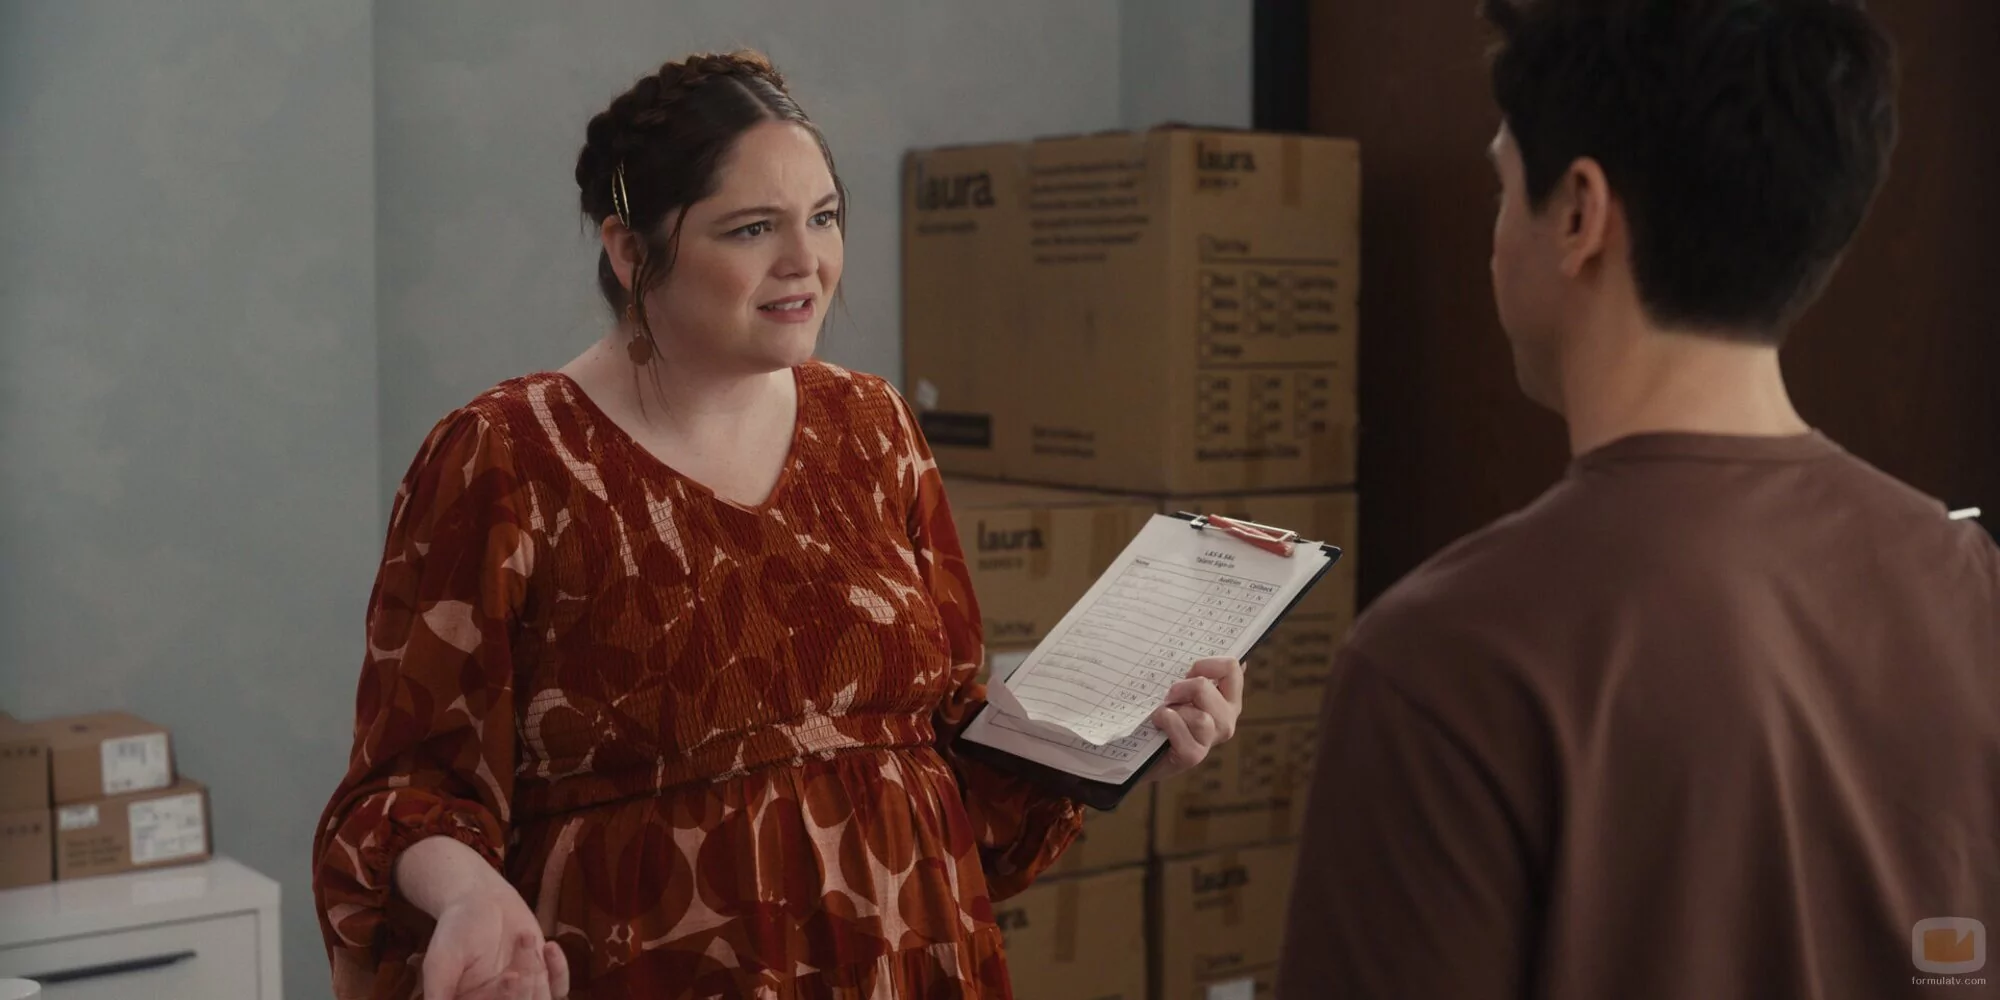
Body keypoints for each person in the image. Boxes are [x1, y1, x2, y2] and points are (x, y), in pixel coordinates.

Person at [313, 51, 1244, 1000]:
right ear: (630, 252)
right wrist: (467, 890)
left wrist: (1119, 739)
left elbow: (951, 761)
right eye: (753, 228)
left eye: (824, 217)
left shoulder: (872, 427)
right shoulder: (508, 457)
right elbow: (404, 794)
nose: (808, 262)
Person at [1280, 2, 1998, 998]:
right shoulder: (1967, 583)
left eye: (1501, 188)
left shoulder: (1441, 661)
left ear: (1579, 214)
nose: (1495, 237)